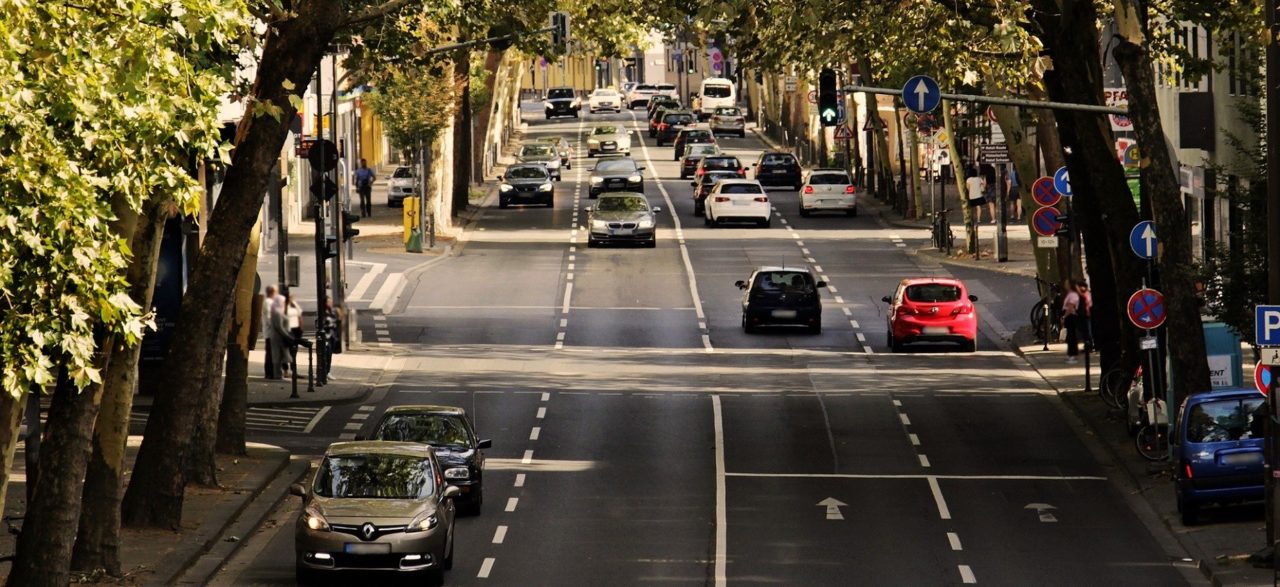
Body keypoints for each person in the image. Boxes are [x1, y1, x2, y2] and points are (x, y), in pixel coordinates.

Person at [262, 285, 286, 379]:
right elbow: (270, 317)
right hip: (271, 332)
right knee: (271, 353)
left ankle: (272, 373)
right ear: (272, 292)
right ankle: (271, 373)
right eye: (276, 292)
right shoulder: (268, 302)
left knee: (272, 353)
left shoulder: (271, 302)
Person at [1061, 280, 1082, 364]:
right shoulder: (1071, 294)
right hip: (1070, 316)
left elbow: (1070, 307)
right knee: (1070, 336)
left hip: (1071, 317)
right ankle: (1070, 354)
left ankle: (1072, 355)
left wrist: (1064, 316)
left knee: (1071, 336)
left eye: (1067, 283)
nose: (1065, 285)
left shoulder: (1073, 295)